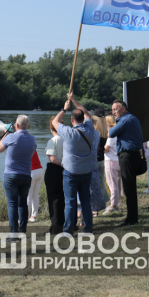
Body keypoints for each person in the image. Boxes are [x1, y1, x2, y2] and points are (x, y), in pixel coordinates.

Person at [52, 92, 96, 234]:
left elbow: (55, 122)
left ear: (72, 120)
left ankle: (68, 231)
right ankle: (88, 228)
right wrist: (74, 100)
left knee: (70, 202)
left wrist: (64, 108)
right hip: (86, 171)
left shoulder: (68, 132)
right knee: (86, 201)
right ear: (83, 119)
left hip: (70, 172)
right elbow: (87, 113)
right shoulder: (90, 129)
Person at [0, 115, 36, 242]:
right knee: (23, 203)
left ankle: (13, 234)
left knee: (12, 204)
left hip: (11, 175)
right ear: (27, 125)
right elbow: (31, 153)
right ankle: (22, 232)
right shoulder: (33, 139)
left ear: (17, 125)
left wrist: (6, 134)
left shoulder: (11, 137)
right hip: (26, 175)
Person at [108, 100, 144, 226]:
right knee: (130, 187)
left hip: (128, 156)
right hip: (132, 155)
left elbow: (111, 133)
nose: (113, 112)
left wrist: (110, 127)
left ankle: (131, 219)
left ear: (123, 108)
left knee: (129, 188)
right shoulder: (132, 118)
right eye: (112, 110)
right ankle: (132, 216)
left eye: (115, 109)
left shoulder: (125, 120)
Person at [44, 117, 65, 234]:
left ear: (50, 128)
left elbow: (53, 159)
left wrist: (65, 164)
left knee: (54, 200)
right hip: (67, 172)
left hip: (55, 172)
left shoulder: (52, 141)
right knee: (66, 198)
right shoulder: (68, 139)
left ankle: (56, 227)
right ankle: (70, 224)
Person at [102, 115, 120, 215]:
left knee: (112, 184)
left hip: (110, 161)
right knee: (114, 183)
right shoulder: (118, 132)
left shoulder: (111, 134)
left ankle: (113, 205)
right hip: (116, 159)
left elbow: (105, 149)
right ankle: (115, 204)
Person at [27, 150, 44, 223]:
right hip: (40, 170)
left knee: (28, 195)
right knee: (35, 195)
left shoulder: (23, 147)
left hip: (32, 171)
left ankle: (25, 216)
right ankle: (33, 216)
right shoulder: (32, 146)